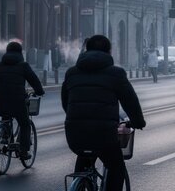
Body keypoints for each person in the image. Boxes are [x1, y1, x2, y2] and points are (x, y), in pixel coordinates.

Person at [62, 35, 146, 191]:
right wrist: (138, 121)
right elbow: (130, 102)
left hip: (74, 133)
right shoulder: (116, 73)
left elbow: (65, 103)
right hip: (104, 134)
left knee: (84, 156)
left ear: (86, 50)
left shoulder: (71, 73)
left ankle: (79, 183)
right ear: (109, 51)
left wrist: (77, 117)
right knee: (116, 167)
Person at [0, 41, 45, 161]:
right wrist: (40, 91)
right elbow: (34, 80)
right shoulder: (23, 65)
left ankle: (5, 137)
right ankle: (23, 151)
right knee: (25, 124)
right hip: (17, 101)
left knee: (6, 115)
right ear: (20, 52)